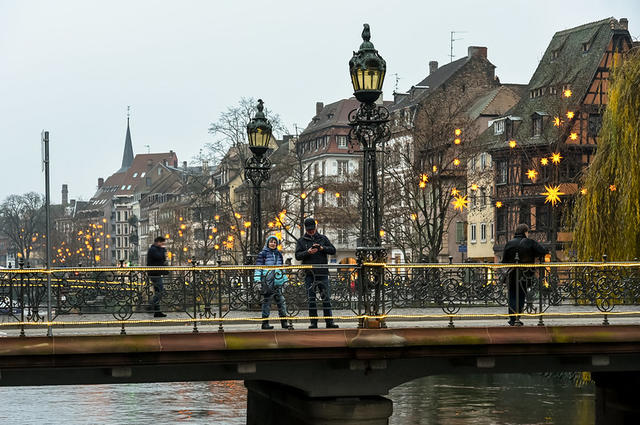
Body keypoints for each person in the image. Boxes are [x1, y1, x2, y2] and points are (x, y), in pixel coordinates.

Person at [295, 218, 339, 329]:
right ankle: (313, 322)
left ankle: (329, 322)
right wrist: (308, 252)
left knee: (326, 298)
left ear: (315, 228)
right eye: (309, 230)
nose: (311, 232)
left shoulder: (322, 238)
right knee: (311, 299)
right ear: (306, 229)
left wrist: (322, 248)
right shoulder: (301, 241)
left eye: (313, 229)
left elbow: (333, 250)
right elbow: (298, 256)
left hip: (323, 273)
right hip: (309, 274)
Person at [501, 223, 548, 326]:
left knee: (512, 295)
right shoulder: (529, 242)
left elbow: (504, 260)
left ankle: (513, 318)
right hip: (525, 274)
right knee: (521, 295)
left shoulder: (509, 243)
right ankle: (517, 317)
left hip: (512, 274)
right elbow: (542, 251)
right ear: (525, 232)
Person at [254, 236, 289, 330]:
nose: (273, 243)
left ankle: (284, 322)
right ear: (267, 243)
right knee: (267, 302)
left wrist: (285, 280)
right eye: (271, 242)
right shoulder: (263, 254)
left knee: (281, 302)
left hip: (278, 280)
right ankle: (265, 323)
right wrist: (257, 281)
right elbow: (258, 268)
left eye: (274, 242)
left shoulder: (279, 254)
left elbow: (282, 269)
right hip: (268, 281)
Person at [147, 236, 169, 318]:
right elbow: (159, 257)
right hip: (154, 273)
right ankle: (151, 304)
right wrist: (163, 250)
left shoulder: (156, 249)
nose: (163, 245)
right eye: (162, 243)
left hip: (156, 273)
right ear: (158, 242)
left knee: (158, 291)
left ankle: (157, 311)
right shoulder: (153, 250)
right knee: (160, 290)